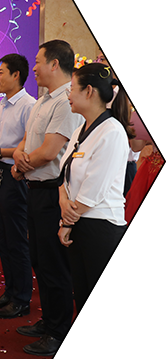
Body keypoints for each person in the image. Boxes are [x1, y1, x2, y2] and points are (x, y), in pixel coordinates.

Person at [12, 39, 84, 356]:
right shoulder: (43, 100)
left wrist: (22, 163)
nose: (35, 68)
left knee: (54, 264)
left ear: (55, 64)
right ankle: (49, 320)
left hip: (53, 191)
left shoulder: (65, 101)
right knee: (40, 260)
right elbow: (27, 141)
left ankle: (58, 331)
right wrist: (19, 157)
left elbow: (50, 151)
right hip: (34, 188)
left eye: (38, 61)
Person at [58, 62, 132, 313]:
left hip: (101, 227)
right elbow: (63, 173)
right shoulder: (80, 129)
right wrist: (63, 201)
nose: (68, 94)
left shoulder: (112, 131)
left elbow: (93, 190)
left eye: (72, 88)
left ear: (88, 91)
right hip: (79, 223)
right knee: (80, 292)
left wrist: (67, 220)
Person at [0, 54, 36, 317]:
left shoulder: (29, 106)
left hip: (15, 175)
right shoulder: (0, 106)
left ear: (16, 75)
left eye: (1, 72)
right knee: (1, 238)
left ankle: (22, 298)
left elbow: (29, 147)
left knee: (16, 239)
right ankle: (10, 291)